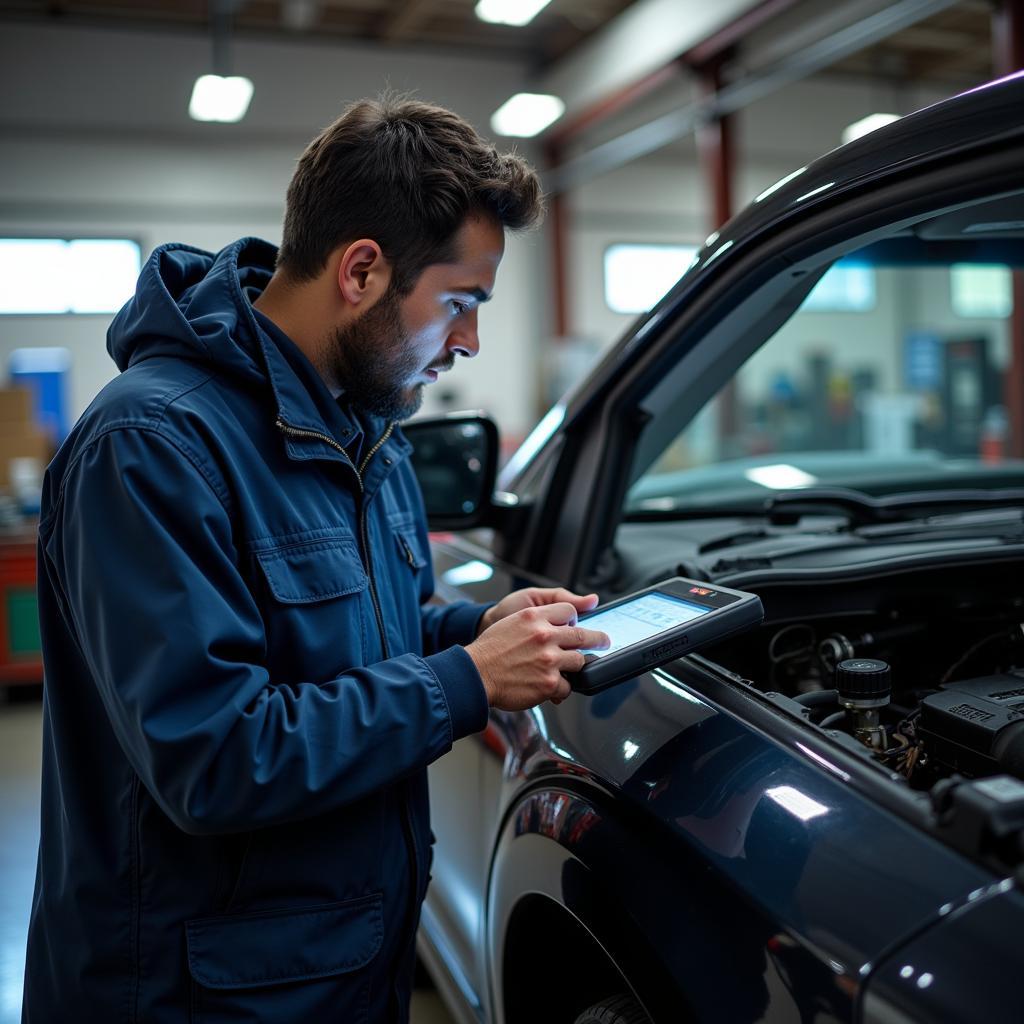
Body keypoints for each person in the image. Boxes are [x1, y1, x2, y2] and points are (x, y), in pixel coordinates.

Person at [23, 96, 609, 1024]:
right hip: (197, 996)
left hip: (338, 967)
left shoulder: (368, 429)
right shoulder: (152, 445)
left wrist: (477, 632)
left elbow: (366, 630)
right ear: (363, 270)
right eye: (459, 303)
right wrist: (463, 681)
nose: (469, 342)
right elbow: (214, 756)